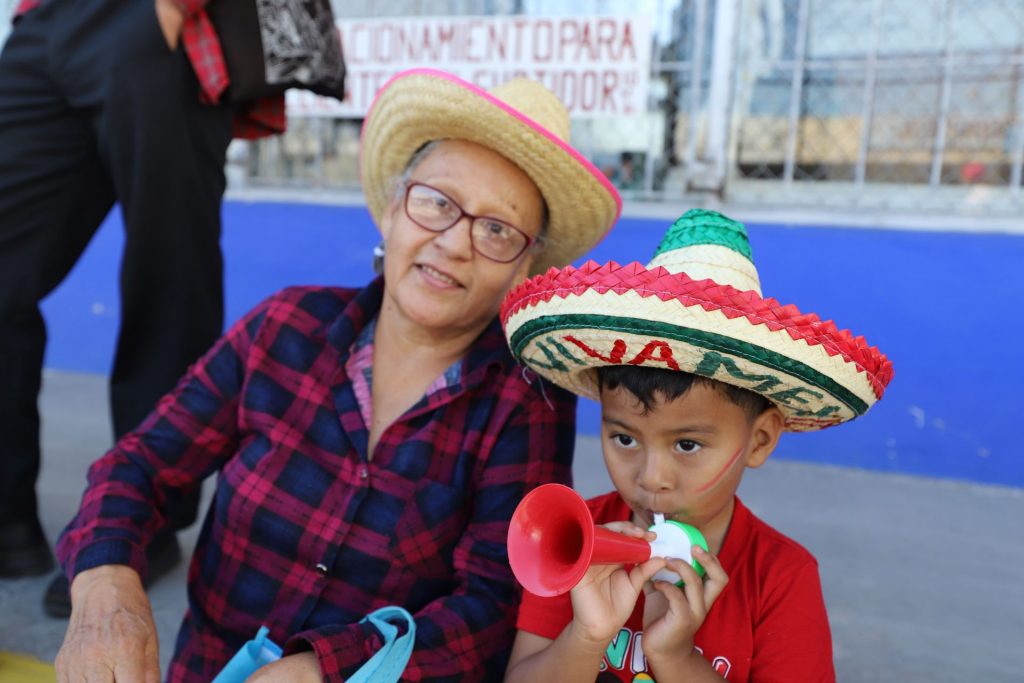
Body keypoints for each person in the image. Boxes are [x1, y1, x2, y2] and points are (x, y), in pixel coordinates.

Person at [53, 68, 622, 682]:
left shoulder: (526, 401)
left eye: (496, 230)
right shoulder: (284, 327)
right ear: (392, 212)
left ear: (522, 269)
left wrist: (321, 670)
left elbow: (490, 606)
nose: (455, 243)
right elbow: (139, 466)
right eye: (436, 203)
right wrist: (105, 586)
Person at [0, 0, 315, 615]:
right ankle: (6, 516)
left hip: (155, 18)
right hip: (45, 22)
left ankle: (143, 523)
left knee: (167, 281)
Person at [501, 209, 893, 681]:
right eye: (624, 438)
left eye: (687, 445)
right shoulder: (571, 543)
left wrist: (676, 658)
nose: (651, 478)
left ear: (760, 439)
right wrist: (586, 636)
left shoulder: (782, 576)